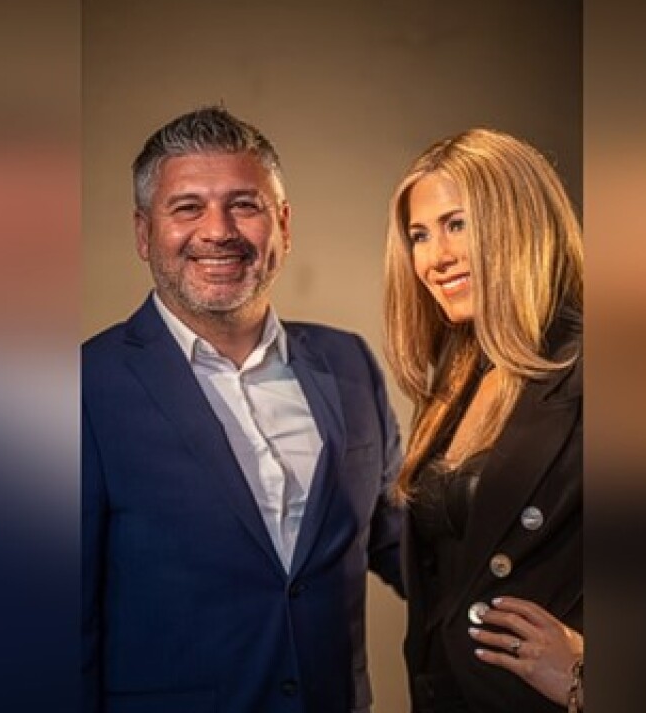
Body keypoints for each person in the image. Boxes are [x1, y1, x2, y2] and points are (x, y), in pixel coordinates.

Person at [82, 106, 404, 713]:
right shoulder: (84, 388)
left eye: (244, 205)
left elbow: (407, 546)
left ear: (283, 224)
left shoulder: (350, 364)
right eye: (187, 208)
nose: (219, 231)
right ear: (144, 233)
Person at [383, 128, 584, 712]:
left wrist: (584, 673)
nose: (435, 258)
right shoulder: (458, 376)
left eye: (456, 224)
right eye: (420, 235)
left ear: (519, 223)